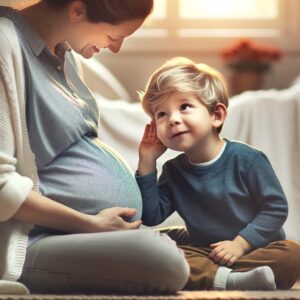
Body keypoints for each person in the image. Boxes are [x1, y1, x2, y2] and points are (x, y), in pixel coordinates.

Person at [0, 1, 190, 295]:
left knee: (205, 233)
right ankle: (207, 272)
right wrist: (89, 223)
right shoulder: (4, 45)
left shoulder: (66, 56)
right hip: (28, 241)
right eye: (114, 37)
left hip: (84, 231)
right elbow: (2, 188)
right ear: (77, 10)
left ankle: (216, 269)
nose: (115, 49)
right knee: (164, 259)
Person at [136, 57, 300, 291]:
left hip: (254, 248)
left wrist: (239, 245)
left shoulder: (247, 159)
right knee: (151, 244)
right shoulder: (173, 171)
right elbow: (152, 216)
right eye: (161, 114)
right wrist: (147, 160)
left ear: (216, 116)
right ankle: (231, 279)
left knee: (292, 253)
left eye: (184, 107)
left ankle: (214, 277)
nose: (172, 119)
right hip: (206, 250)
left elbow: (275, 208)